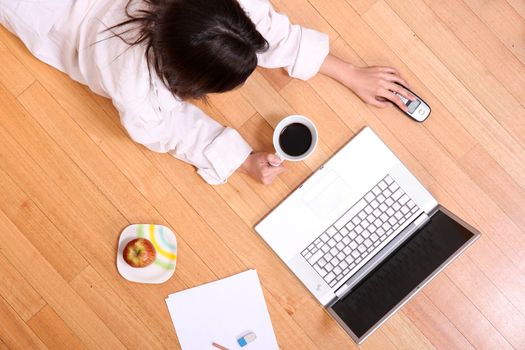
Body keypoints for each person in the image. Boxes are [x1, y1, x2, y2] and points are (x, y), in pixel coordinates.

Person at [0, 0, 414, 185]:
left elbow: (270, 33)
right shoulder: (136, 88)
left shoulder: (225, 10)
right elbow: (170, 130)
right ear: (184, 84)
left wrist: (349, 73)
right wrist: (240, 160)